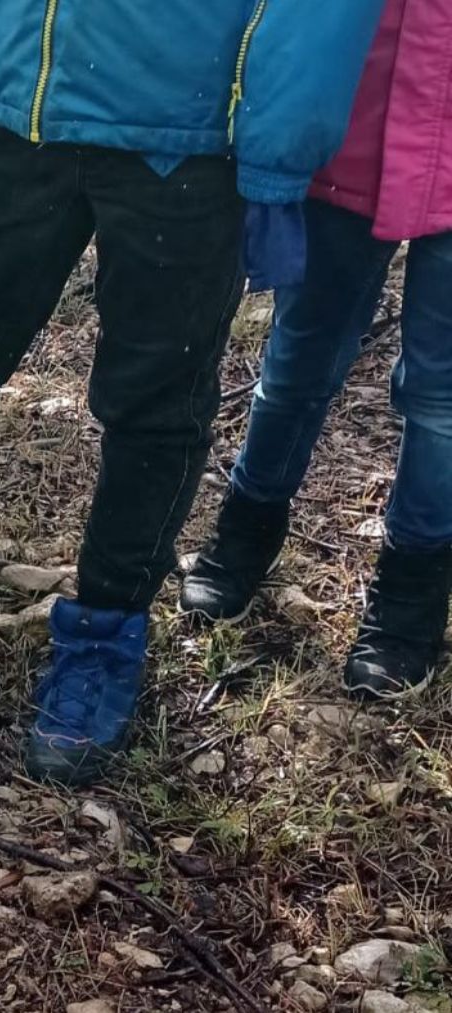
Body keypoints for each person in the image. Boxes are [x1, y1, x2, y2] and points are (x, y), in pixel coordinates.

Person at [0, 0, 386, 787]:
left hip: (187, 138)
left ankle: (105, 634)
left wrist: (278, 151)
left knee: (156, 402)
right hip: (14, 111)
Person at [181, 0, 452, 702]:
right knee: (298, 359)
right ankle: (248, 522)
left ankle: (412, 588)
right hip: (347, 130)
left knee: (442, 398)